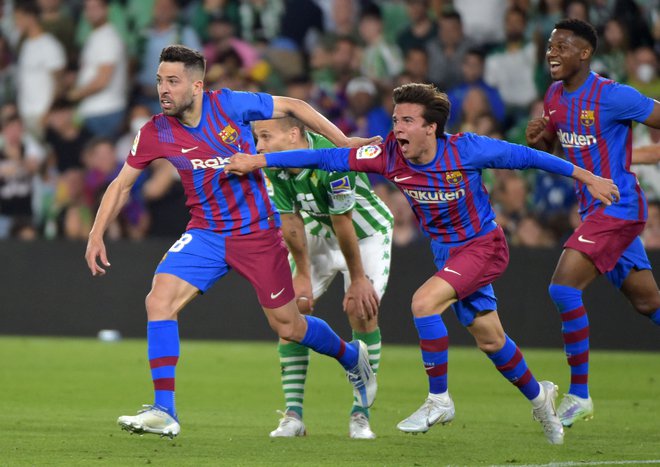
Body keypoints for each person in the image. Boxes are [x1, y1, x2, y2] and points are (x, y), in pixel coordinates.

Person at [226, 82, 620, 445]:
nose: (397, 127)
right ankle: (541, 398)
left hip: (483, 246)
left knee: (423, 302)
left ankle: (439, 399)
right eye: (396, 119)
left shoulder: (467, 150)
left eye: (407, 121)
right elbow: (327, 156)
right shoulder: (386, 155)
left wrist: (589, 178)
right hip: (447, 253)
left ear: (431, 128)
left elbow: (529, 157)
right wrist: (261, 162)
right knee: (490, 339)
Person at [84, 45, 380, 438]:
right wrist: (96, 233)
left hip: (257, 234)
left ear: (197, 85)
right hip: (205, 233)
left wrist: (343, 142)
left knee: (289, 327)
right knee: (159, 300)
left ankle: (351, 357)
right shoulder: (156, 131)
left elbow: (294, 105)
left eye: (173, 81)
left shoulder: (229, 106)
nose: (163, 89)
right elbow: (122, 184)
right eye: (159, 80)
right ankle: (164, 409)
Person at [526, 18, 660, 428]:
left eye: (562, 46)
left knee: (562, 288)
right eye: (550, 46)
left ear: (584, 54)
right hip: (594, 211)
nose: (552, 53)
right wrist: (539, 139)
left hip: (618, 208)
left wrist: (635, 157)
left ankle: (580, 394)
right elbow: (555, 147)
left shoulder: (613, 96)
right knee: (648, 302)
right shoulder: (553, 96)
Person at [254, 117, 393, 439]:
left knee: (362, 310)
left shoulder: (331, 158)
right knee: (290, 313)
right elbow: (290, 221)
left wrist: (358, 278)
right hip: (319, 233)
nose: (259, 146)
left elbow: (344, 221)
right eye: (256, 138)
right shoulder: (274, 165)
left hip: (366, 234)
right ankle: (293, 416)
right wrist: (302, 274)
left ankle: (361, 415)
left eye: (264, 136)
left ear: (292, 135)